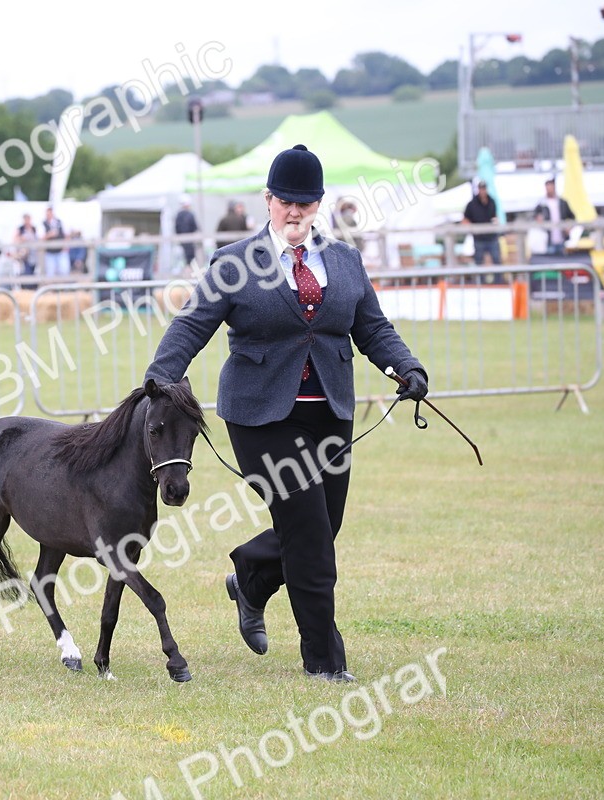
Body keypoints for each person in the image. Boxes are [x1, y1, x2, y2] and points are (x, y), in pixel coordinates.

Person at [143, 144, 428, 683]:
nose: (294, 212)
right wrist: (160, 376)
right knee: (311, 535)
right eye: (285, 202)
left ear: (318, 204)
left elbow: (372, 327)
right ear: (267, 200)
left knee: (321, 526)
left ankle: (251, 578)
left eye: (306, 203)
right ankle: (324, 662)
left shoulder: (344, 261)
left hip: (330, 414)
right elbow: (192, 323)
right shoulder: (234, 263)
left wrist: (406, 367)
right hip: (261, 418)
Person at [462, 180, 502, 266]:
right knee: (479, 261)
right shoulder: (472, 204)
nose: (483, 191)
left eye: (484, 188)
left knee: (496, 260)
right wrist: (472, 229)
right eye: (481, 189)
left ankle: (498, 275)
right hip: (479, 238)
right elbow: (465, 220)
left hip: (491, 236)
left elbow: (494, 217)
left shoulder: (491, 202)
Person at [533, 179, 574, 256]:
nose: (549, 189)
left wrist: (568, 227)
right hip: (548, 240)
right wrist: (538, 218)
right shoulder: (542, 204)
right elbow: (535, 216)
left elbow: (572, 216)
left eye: (551, 187)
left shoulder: (562, 202)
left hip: (561, 239)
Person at [41, 207, 67, 278]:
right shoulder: (43, 223)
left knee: (64, 271)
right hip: (49, 252)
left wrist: (65, 245)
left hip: (60, 250)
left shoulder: (59, 222)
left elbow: (65, 235)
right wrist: (49, 234)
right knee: (50, 272)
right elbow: (41, 238)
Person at [175, 196, 199, 270]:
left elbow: (177, 228)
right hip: (190, 240)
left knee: (184, 258)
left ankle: (187, 271)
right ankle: (192, 272)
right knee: (191, 258)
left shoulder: (179, 215)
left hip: (182, 240)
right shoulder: (190, 214)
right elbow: (195, 227)